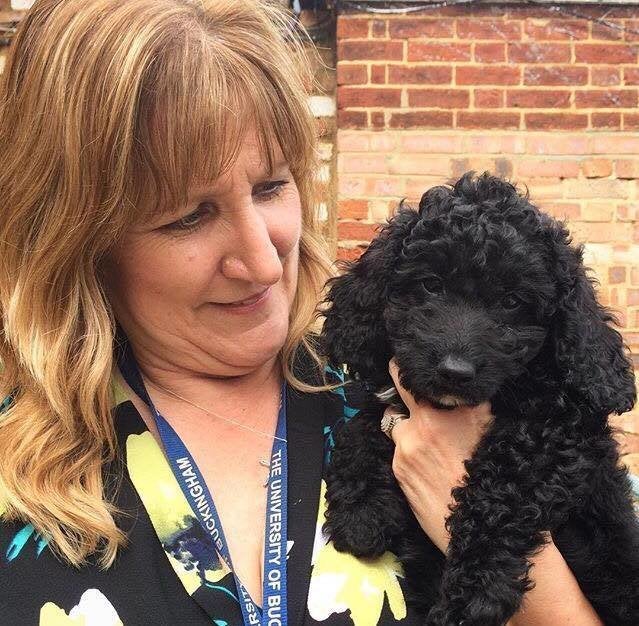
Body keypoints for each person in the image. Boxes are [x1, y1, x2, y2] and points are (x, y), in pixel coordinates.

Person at [0, 1, 606, 624]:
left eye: (270, 187)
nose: (264, 263)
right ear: (76, 241)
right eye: (189, 216)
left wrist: (491, 528)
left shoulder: (397, 397)